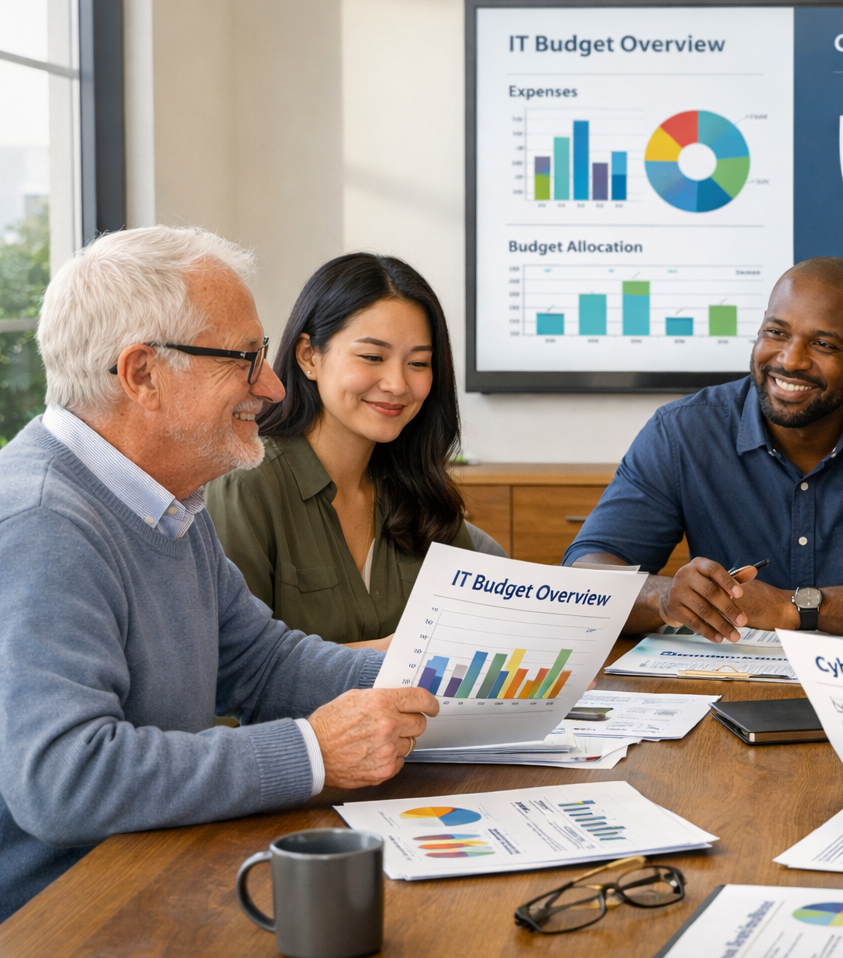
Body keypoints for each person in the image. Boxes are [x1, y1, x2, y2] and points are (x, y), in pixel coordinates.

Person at [0, 227, 436, 921]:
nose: (269, 386)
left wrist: (434, 673)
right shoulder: (42, 521)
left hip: (154, 872)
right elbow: (64, 780)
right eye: (245, 359)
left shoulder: (165, 495)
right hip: (61, 927)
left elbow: (261, 664)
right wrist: (312, 752)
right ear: (142, 373)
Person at [564, 256, 843, 640]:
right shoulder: (682, 431)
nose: (790, 360)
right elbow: (586, 570)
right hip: (724, 679)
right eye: (776, 333)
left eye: (822, 344)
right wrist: (664, 598)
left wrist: (797, 607)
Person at [206, 253, 503, 649]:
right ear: (309, 356)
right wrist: (402, 652)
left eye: (418, 363)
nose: (397, 383)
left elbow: (480, 631)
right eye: (372, 357)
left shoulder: (417, 489)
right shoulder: (246, 484)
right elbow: (232, 673)